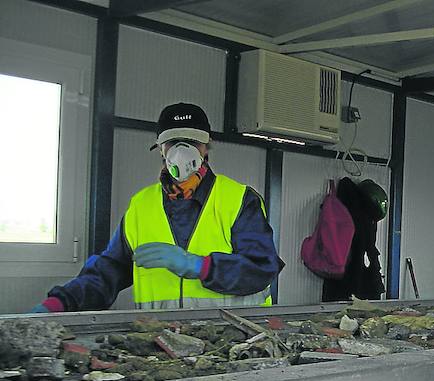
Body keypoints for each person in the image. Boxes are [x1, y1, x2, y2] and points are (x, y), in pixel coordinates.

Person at [31, 102, 283, 312]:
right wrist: (60, 303)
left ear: (206, 147)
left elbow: (262, 269)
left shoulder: (238, 199)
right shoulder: (142, 205)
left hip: (233, 340)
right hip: (162, 342)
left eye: (192, 142)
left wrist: (202, 266)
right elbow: (108, 271)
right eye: (173, 142)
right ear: (161, 149)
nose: (182, 151)